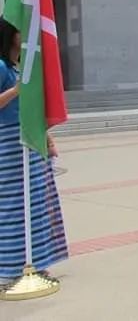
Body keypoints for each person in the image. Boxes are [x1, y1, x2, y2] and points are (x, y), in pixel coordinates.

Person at [0, 19, 68, 280]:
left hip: (28, 141)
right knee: (14, 206)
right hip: (9, 144)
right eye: (19, 28)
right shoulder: (2, 68)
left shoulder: (17, 68)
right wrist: (16, 91)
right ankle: (13, 267)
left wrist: (46, 138)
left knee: (35, 202)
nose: (24, 34)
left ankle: (34, 260)